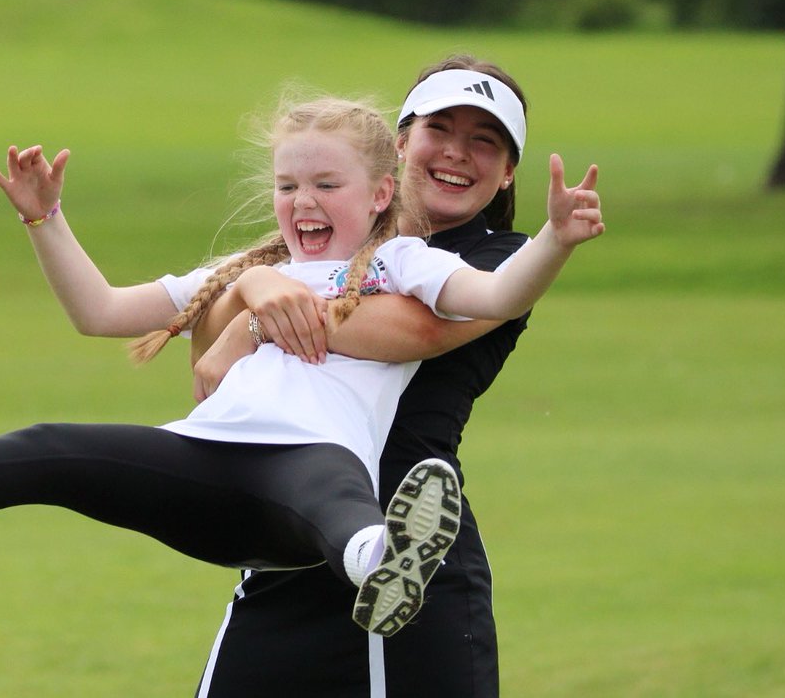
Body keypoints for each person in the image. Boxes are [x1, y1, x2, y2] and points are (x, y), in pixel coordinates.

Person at [0, 96, 602, 642]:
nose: (303, 203)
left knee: (336, 496)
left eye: (327, 185)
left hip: (308, 478)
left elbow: (492, 294)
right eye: (287, 185)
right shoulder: (238, 269)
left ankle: (383, 559)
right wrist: (47, 222)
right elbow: (101, 313)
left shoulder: (400, 264)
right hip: (209, 467)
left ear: (381, 192)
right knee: (51, 449)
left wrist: (555, 241)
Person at [189, 56, 591, 696]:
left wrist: (256, 310)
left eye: (484, 140)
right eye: (440, 130)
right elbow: (206, 367)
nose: (457, 154)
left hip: (412, 555)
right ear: (399, 143)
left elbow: (412, 331)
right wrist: (256, 287)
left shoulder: (501, 264)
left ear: (508, 170)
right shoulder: (319, 240)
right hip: (285, 546)